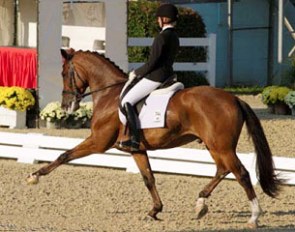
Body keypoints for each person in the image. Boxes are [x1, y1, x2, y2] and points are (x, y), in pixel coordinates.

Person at [118, 3, 180, 152]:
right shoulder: (175, 36)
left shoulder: (161, 37)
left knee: (127, 100)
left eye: (159, 18)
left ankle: (134, 140)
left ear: (164, 19)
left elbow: (152, 63)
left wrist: (137, 72)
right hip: (168, 74)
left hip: (156, 76)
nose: (157, 21)